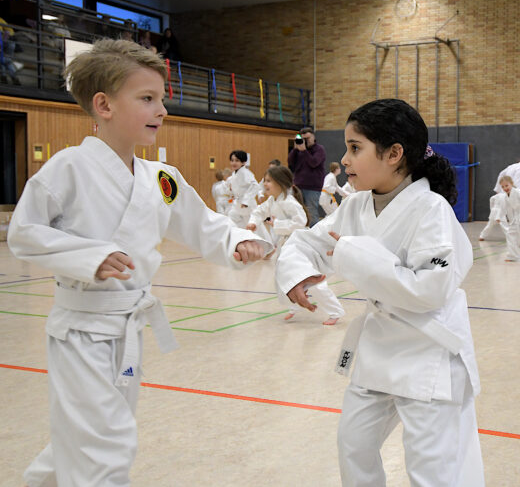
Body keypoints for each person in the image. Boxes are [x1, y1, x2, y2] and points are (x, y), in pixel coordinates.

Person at [7, 39, 271, 487]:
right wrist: (90, 256)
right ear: (104, 105)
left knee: (85, 436)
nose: (162, 110)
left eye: (161, 98)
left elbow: (204, 224)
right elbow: (24, 232)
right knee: (105, 443)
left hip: (128, 328)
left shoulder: (161, 179)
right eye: (147, 98)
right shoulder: (68, 168)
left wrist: (239, 240)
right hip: (81, 331)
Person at [276, 99, 484, 486]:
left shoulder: (431, 209)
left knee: (430, 469)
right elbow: (308, 243)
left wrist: (354, 255)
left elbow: (431, 289)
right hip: (379, 347)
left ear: (393, 154)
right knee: (353, 446)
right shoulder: (356, 206)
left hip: (428, 352)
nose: (345, 159)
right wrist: (296, 275)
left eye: (355, 148)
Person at [250, 166, 345, 325]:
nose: (265, 184)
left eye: (269, 181)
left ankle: (335, 311)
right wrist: (253, 222)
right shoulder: (272, 201)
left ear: (281, 183)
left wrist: (277, 224)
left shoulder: (289, 202)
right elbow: (259, 211)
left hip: (299, 246)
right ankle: (294, 306)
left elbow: (301, 221)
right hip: (285, 245)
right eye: (264, 180)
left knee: (313, 281)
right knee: (285, 277)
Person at [287, 126, 326, 226]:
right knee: (296, 212)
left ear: (313, 137)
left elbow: (314, 163)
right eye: (303, 139)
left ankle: (314, 233)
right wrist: (295, 149)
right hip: (298, 186)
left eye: (307, 138)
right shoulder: (298, 151)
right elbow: (290, 163)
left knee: (311, 213)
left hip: (312, 187)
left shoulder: (319, 149)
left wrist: (304, 151)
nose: (305, 141)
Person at [227, 149, 262, 228]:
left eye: (237, 160)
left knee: (252, 226)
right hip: (238, 203)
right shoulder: (235, 173)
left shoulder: (245, 172)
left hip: (247, 205)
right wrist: (232, 191)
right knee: (232, 218)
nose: (234, 163)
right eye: (232, 160)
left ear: (243, 162)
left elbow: (255, 186)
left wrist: (246, 201)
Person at [0, 17, 21, 85]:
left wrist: (5, 37)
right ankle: (12, 78)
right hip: (8, 42)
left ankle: (4, 77)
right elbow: (10, 31)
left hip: (5, 43)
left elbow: (9, 31)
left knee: (3, 60)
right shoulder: (0, 19)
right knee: (6, 60)